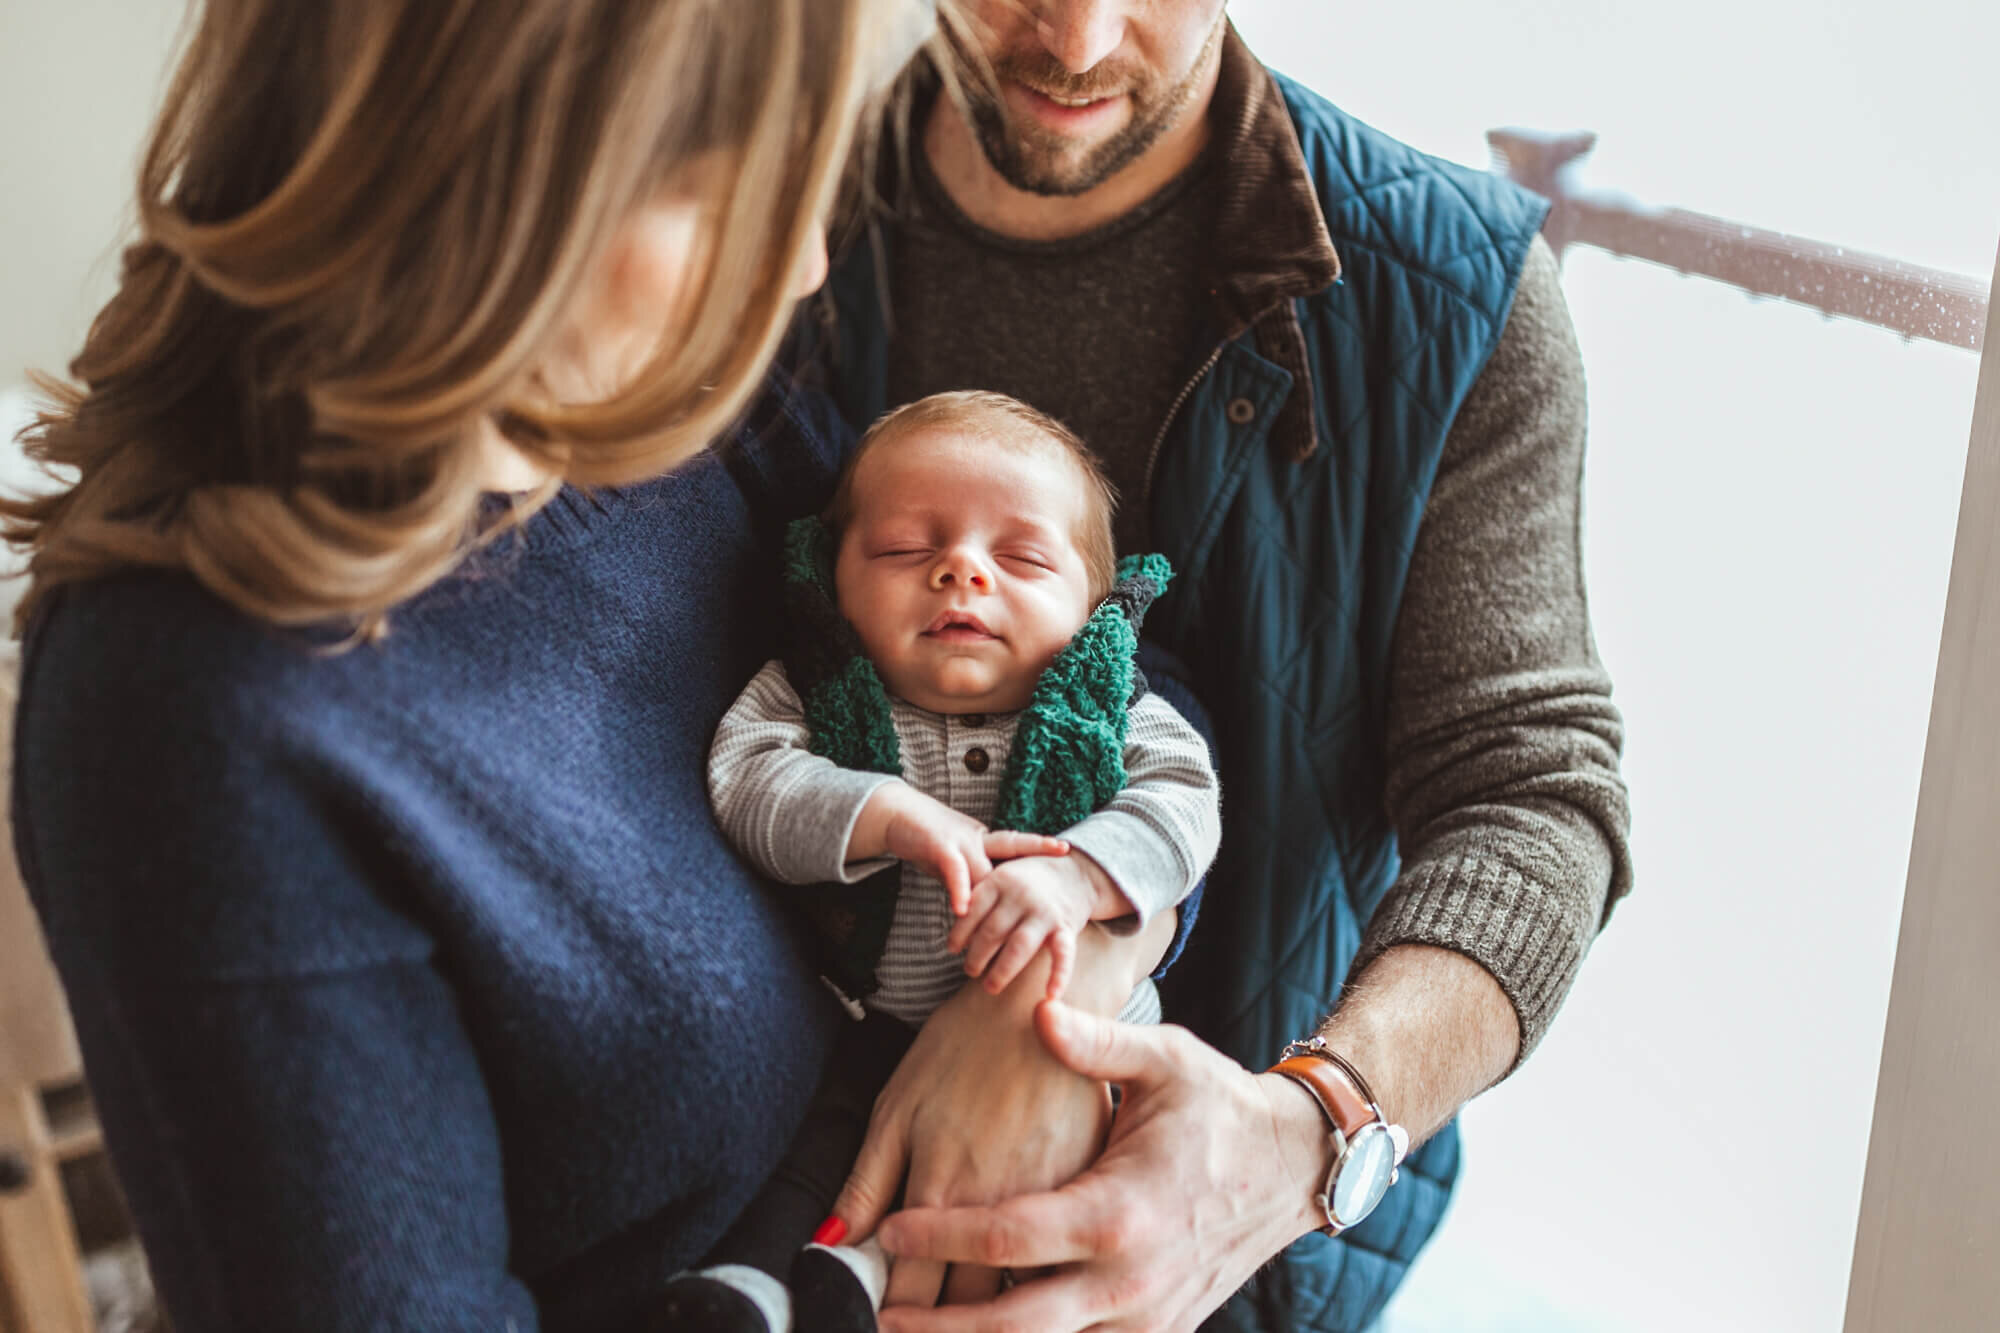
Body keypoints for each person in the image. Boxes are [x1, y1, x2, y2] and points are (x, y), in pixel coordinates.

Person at [5, 2, 1193, 1329]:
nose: (801, 267)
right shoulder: (194, 715)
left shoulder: (668, 403)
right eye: (733, 192)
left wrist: (1050, 987)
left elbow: (1093, 678)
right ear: (496, 167)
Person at [808, 2, 1635, 1330]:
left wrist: (1306, 1128)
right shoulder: (757, 206)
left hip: (1223, 1279)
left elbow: (1533, 807)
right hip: (760, 1205)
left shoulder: (1450, 292)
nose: (1076, 43)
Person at [661, 389, 1219, 1332]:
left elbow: (1185, 806)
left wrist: (1079, 875)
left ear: (1091, 602)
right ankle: (766, 1281)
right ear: (832, 578)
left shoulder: (1110, 708)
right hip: (867, 1027)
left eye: (1022, 557)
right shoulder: (822, 692)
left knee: (1077, 1214)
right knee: (819, 1140)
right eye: (903, 550)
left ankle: (876, 1272)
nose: (961, 569)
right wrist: (883, 811)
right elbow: (748, 781)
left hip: (1082, 1055)